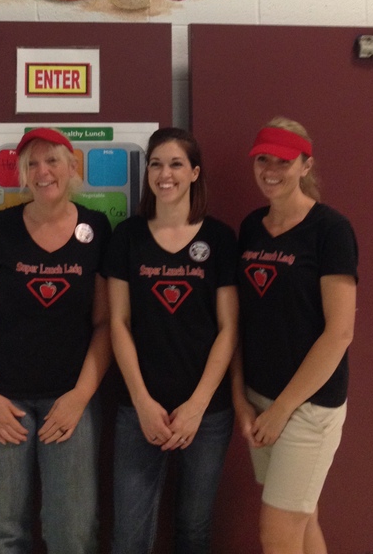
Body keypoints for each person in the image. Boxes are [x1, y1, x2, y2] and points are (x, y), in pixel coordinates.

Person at [0, 127, 112, 554]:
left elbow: (105, 323)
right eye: (32, 164)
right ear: (22, 174)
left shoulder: (96, 229)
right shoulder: (1, 228)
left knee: (73, 533)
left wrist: (80, 395)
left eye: (52, 160)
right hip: (2, 402)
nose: (43, 171)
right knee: (4, 534)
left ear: (72, 166)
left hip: (70, 404)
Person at [104, 126, 238, 554]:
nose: (165, 173)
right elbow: (118, 323)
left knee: (194, 531)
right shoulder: (127, 237)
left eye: (176, 163)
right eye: (156, 164)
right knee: (129, 536)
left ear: (195, 172)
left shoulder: (218, 239)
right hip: (138, 409)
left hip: (208, 413)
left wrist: (198, 405)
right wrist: (142, 402)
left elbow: (228, 328)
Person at [232, 117, 358, 554]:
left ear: (305, 165)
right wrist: (240, 398)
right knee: (303, 521)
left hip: (307, 406)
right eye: (262, 159)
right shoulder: (250, 228)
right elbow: (242, 322)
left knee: (277, 534)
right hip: (260, 399)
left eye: (283, 161)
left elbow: (339, 333)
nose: (271, 169)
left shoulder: (330, 229)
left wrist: (283, 409)